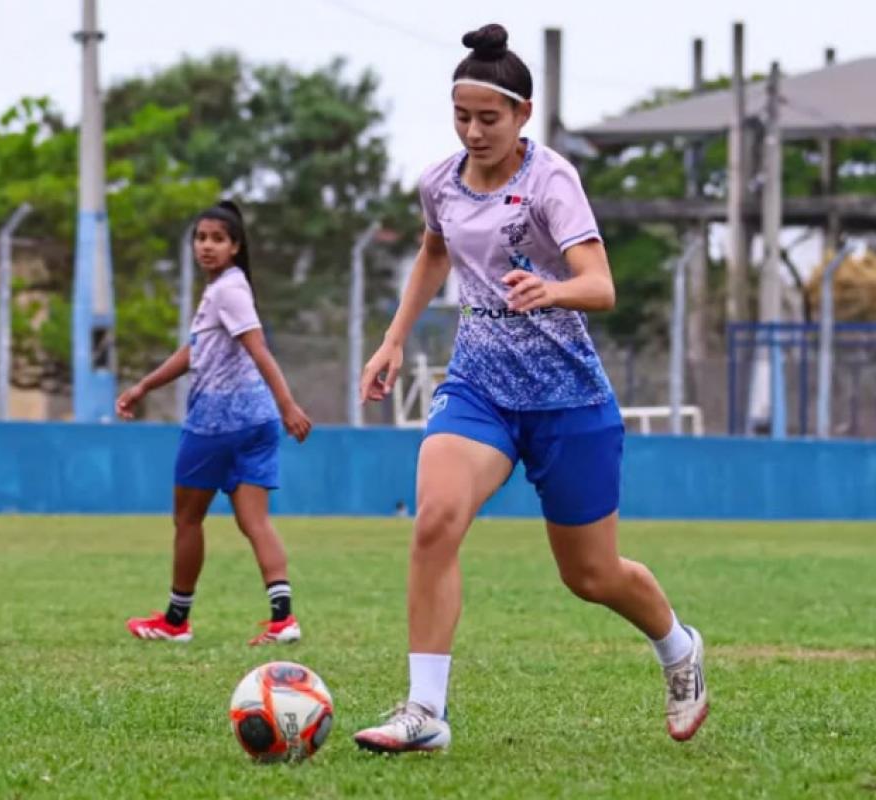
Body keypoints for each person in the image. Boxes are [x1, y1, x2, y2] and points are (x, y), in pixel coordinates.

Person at [352, 24, 708, 753]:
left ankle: (678, 648)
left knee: (591, 574)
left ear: (523, 115)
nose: (474, 132)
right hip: (479, 387)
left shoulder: (551, 181)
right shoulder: (440, 182)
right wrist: (393, 338)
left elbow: (601, 286)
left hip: (567, 400)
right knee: (435, 521)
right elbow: (433, 249)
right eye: (463, 117)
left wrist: (551, 291)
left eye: (490, 118)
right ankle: (425, 712)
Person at [119, 201, 313, 646]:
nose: (207, 246)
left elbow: (258, 347)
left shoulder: (227, 289)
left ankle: (175, 620)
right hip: (257, 421)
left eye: (217, 239)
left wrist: (290, 405)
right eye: (201, 238)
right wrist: (144, 386)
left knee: (188, 519)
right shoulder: (230, 288)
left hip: (218, 421)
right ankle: (283, 618)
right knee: (255, 521)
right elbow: (195, 353)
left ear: (235, 246)